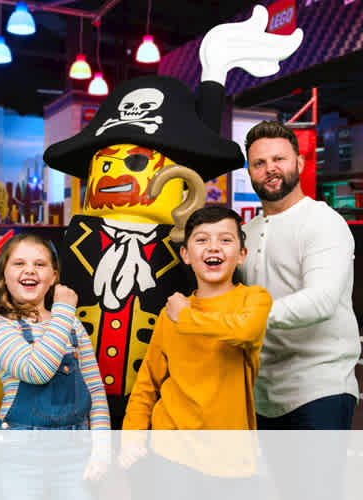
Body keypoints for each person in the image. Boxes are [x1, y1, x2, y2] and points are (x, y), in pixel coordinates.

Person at [119, 206, 271, 499]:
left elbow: (243, 331)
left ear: (241, 254)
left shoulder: (253, 299)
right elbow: (147, 384)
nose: (213, 246)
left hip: (231, 459)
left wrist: (185, 317)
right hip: (170, 453)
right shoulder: (169, 315)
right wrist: (131, 438)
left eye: (225, 240)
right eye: (201, 239)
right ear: (186, 255)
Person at [243, 120, 360, 429]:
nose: (270, 168)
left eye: (278, 159)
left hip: (320, 387)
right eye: (259, 163)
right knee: (280, 480)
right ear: (250, 172)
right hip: (263, 391)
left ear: (299, 161)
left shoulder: (323, 222)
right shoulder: (246, 232)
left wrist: (239, 316)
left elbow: (320, 301)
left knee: (314, 480)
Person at [0, 233, 109, 499]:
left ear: (53, 277)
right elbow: (36, 371)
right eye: (18, 264)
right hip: (19, 453)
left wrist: (102, 449)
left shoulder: (72, 325)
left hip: (76, 451)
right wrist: (63, 310)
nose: (29, 269)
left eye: (40, 264)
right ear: (3, 276)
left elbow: (95, 392)